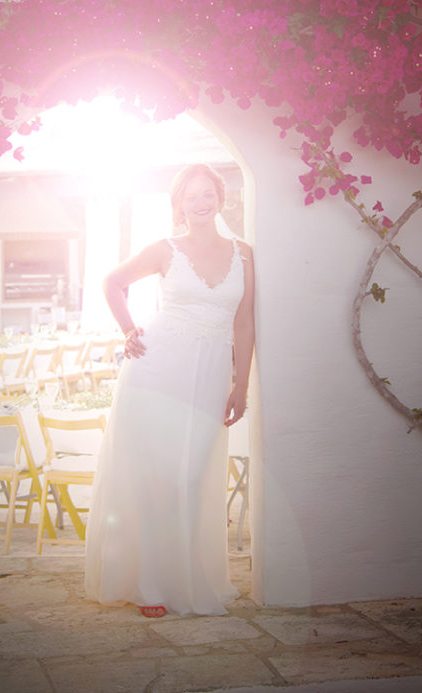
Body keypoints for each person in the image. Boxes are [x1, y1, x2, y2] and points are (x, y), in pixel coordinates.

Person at [84, 163, 255, 618]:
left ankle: (189, 576)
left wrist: (241, 383)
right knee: (158, 478)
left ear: (221, 198)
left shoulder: (244, 254)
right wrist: (128, 330)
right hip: (157, 370)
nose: (201, 201)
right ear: (179, 203)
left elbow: (244, 321)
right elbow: (112, 283)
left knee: (193, 475)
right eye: (191, 195)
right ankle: (152, 585)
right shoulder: (165, 249)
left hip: (212, 373)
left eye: (208, 193)